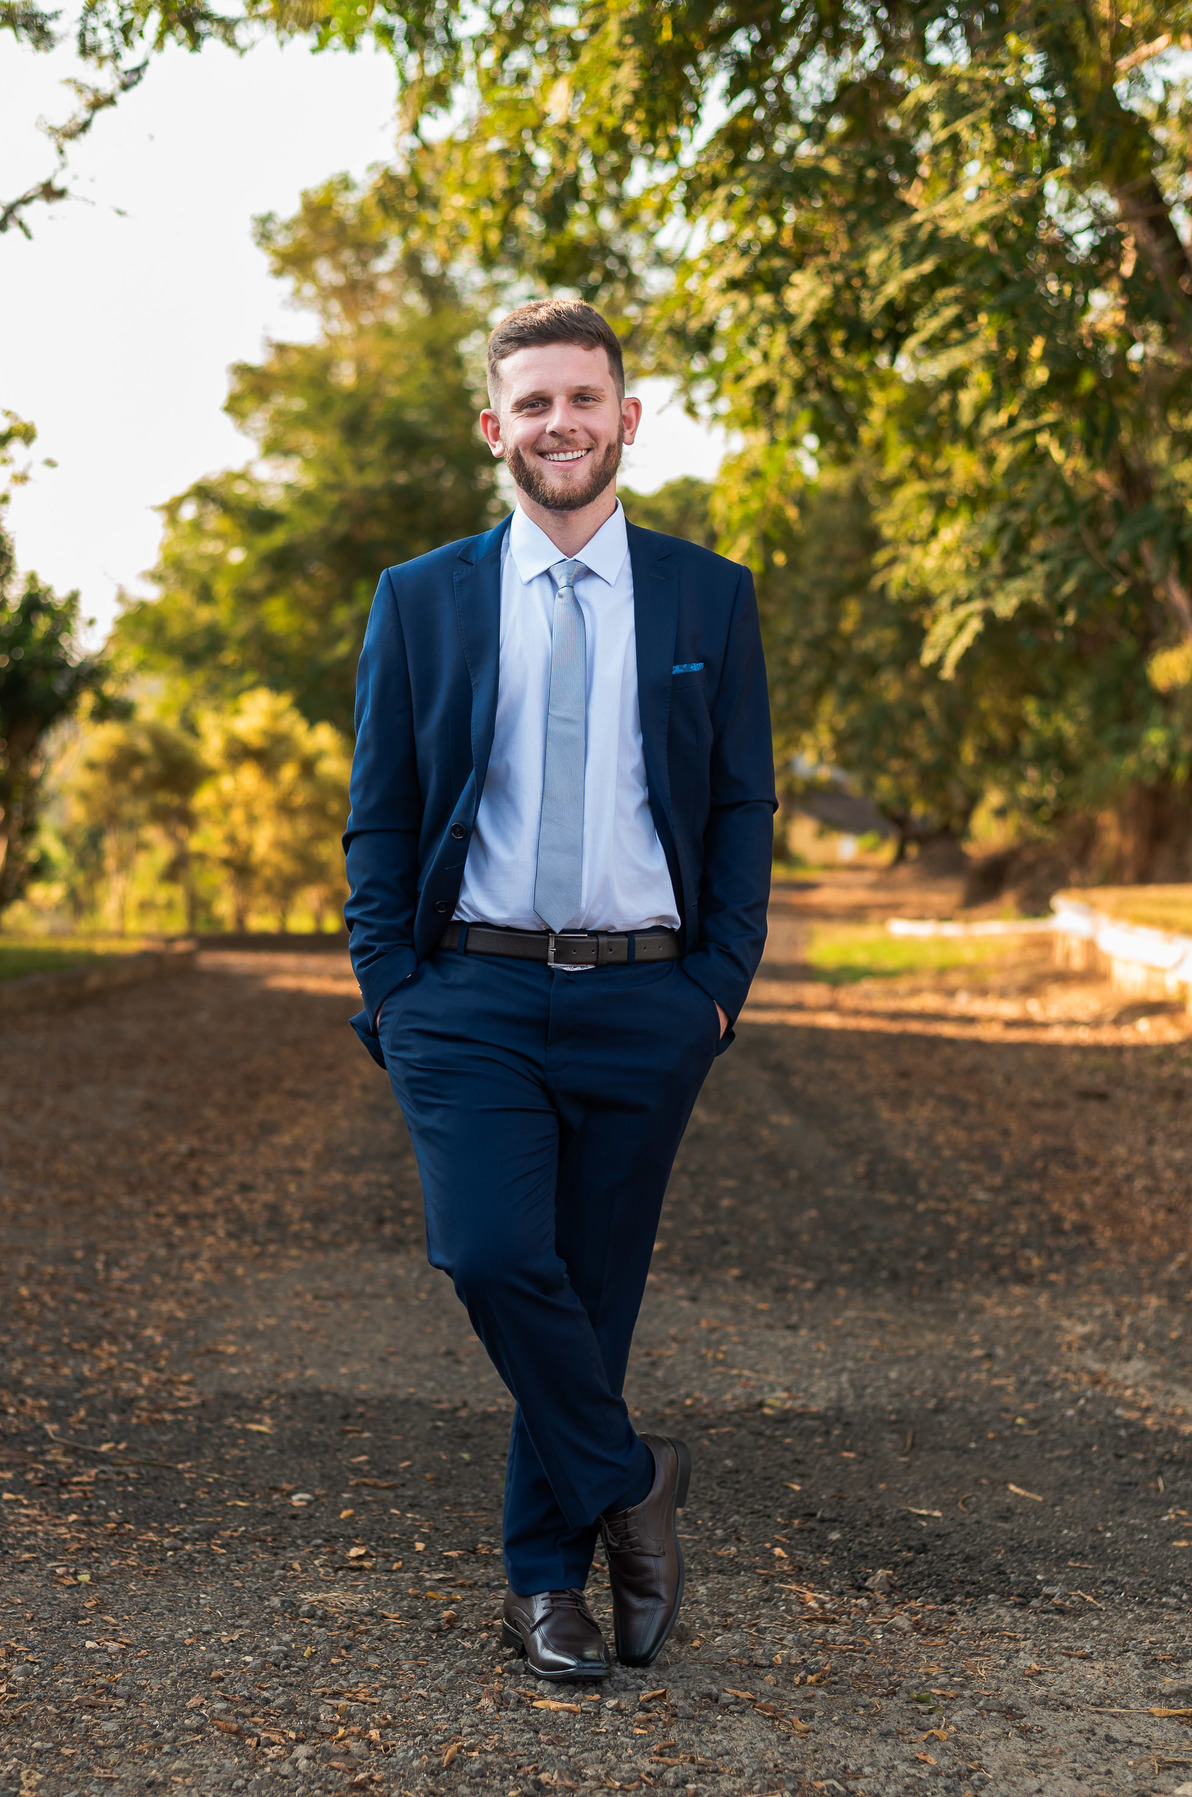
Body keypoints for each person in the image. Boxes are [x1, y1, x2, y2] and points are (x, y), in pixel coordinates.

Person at [344, 298, 775, 1681]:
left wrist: (716, 988)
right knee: (488, 1253)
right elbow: (382, 811)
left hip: (649, 998)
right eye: (533, 402)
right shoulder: (423, 597)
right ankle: (635, 1481)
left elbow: (742, 804)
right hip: (468, 989)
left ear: (626, 417)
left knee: (592, 1299)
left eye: (584, 397)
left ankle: (546, 1582)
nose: (561, 423)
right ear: (496, 428)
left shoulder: (709, 595)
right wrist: (392, 987)